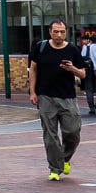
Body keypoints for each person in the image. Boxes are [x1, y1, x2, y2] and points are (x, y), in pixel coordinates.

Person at [28, 19, 86, 181]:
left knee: (72, 132)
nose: (59, 35)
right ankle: (54, 168)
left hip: (68, 97)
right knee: (50, 135)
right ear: (50, 32)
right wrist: (33, 92)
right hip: (46, 97)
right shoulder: (40, 48)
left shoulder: (72, 50)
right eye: (56, 32)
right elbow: (33, 69)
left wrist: (72, 69)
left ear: (66, 32)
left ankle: (65, 158)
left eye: (62, 32)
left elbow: (83, 74)